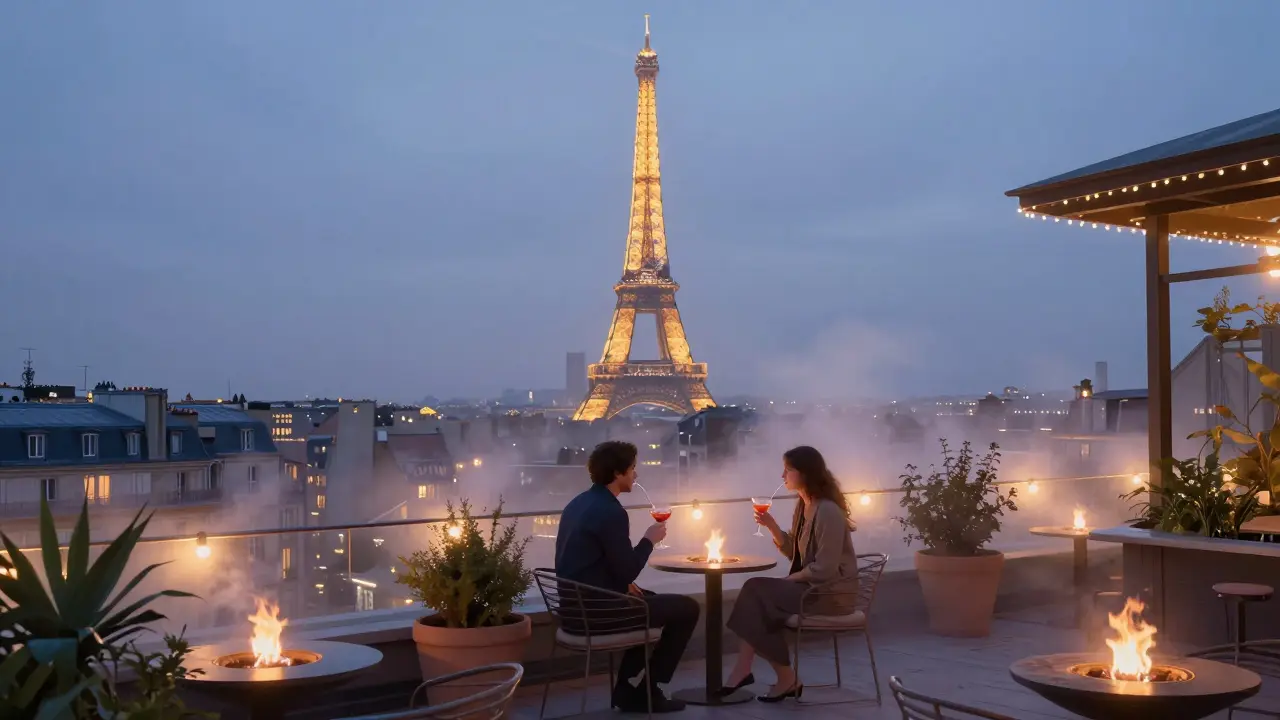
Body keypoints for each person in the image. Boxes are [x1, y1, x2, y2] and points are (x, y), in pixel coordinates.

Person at [555, 440, 700, 713]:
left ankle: (630, 689)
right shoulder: (611, 512)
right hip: (598, 613)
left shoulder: (578, 503)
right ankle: (647, 690)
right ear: (618, 473)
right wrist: (649, 540)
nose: (636, 474)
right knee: (687, 609)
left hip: (572, 610)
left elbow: (591, 561)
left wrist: (623, 585)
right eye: (633, 468)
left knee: (649, 600)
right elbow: (628, 568)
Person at [724, 445, 859, 702]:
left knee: (756, 592)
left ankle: (762, 673)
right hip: (810, 588)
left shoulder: (827, 510)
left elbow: (824, 569)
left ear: (805, 473)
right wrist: (773, 527)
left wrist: (790, 579)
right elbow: (796, 556)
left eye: (788, 470)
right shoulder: (804, 505)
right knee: (760, 602)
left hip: (830, 594)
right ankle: (776, 677)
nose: (782, 476)